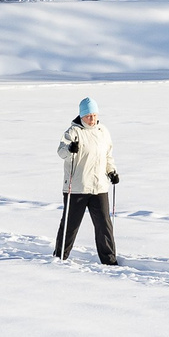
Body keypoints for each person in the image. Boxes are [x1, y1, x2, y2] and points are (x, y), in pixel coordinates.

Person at [53, 96, 120, 265]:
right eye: (89, 115)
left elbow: (107, 155)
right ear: (81, 116)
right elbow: (61, 152)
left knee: (104, 226)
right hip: (77, 188)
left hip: (99, 187)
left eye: (94, 115)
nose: (92, 119)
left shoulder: (103, 131)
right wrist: (70, 148)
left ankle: (109, 260)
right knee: (70, 225)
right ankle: (59, 256)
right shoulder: (73, 132)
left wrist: (111, 172)